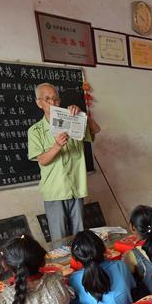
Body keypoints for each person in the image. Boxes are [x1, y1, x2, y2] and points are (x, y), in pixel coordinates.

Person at [27, 83, 101, 242]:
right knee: (59, 240)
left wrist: (83, 116)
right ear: (39, 103)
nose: (52, 103)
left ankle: (80, 258)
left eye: (55, 99)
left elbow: (96, 130)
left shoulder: (73, 120)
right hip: (55, 191)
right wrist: (57, 146)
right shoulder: (35, 131)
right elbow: (42, 160)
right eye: (47, 99)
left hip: (76, 187)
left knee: (80, 236)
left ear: (59, 101)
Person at [68, 230, 134, 304]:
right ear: (103, 249)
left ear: (77, 258)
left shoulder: (74, 279)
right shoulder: (120, 266)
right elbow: (132, 286)